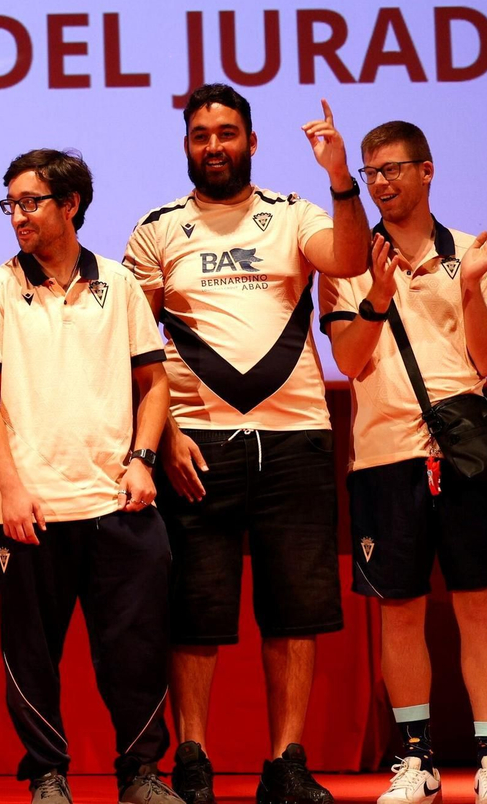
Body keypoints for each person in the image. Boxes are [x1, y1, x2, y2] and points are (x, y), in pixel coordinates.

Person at [121, 86, 368, 804]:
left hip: (295, 440)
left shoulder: (295, 215)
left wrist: (339, 176)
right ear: (186, 146)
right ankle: (193, 757)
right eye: (200, 135)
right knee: (194, 612)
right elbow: (134, 353)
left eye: (227, 133)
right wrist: (162, 436)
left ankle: (286, 761)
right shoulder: (158, 229)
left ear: (252, 142)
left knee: (295, 611)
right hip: (195, 443)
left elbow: (349, 259)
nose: (213, 146)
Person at [0, 149, 179, 804]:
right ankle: (48, 773)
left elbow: (155, 384)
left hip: (118, 502)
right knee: (30, 654)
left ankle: (141, 772)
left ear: (70, 205)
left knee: (135, 652)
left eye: (30, 202)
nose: (18, 216)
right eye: (11, 204)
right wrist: (12, 487)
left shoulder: (119, 283)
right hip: (30, 508)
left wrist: (142, 460)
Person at [319, 121, 487, 804]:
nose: (379, 182)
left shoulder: (471, 252)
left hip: (465, 452)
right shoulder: (346, 263)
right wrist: (375, 293)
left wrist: (471, 288)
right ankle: (417, 761)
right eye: (370, 172)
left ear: (427, 171)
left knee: (479, 606)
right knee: (399, 612)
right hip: (384, 454)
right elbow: (347, 362)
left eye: (392, 169)